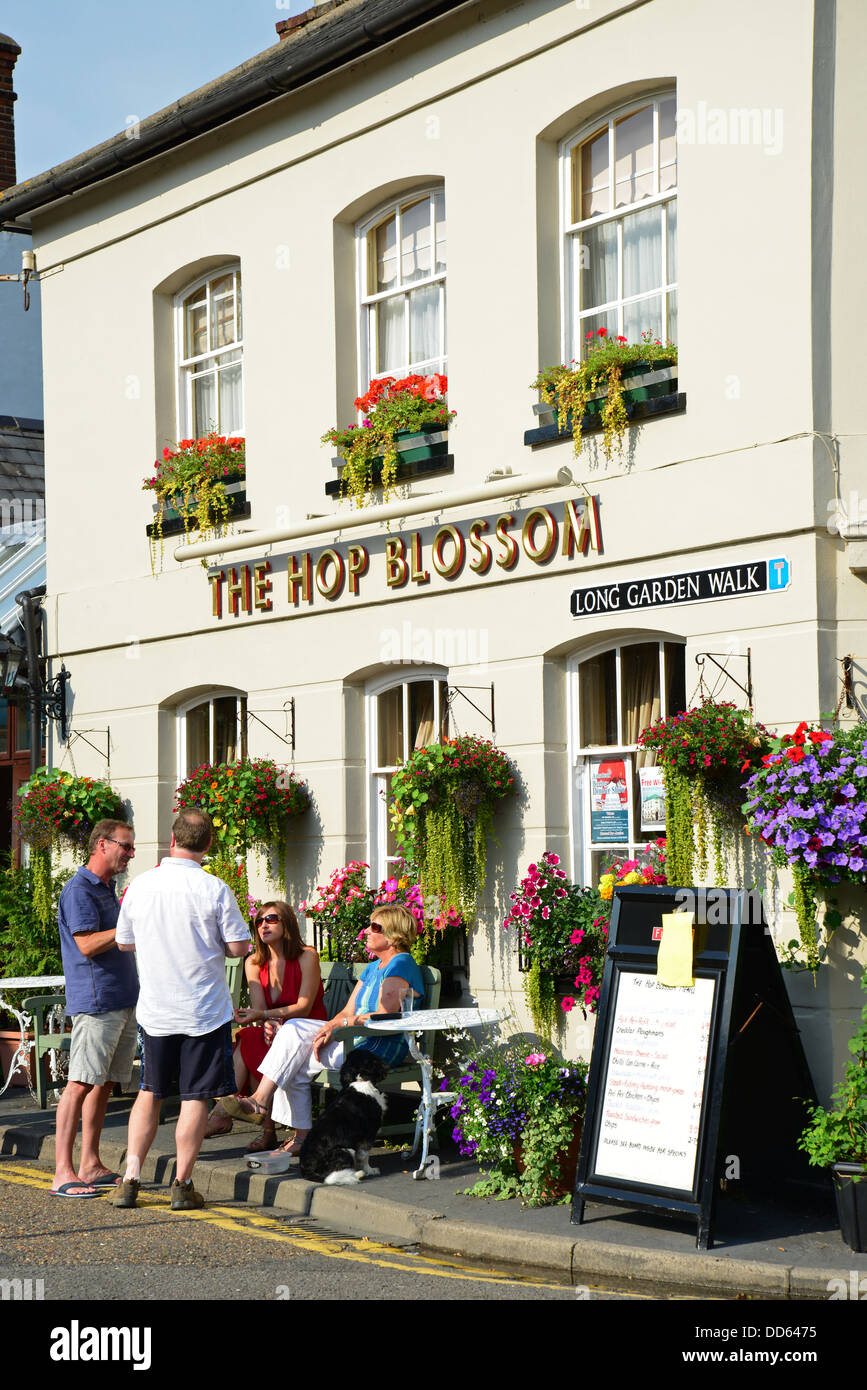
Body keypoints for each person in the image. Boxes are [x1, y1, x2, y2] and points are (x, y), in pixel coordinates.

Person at [111, 807, 251, 1210]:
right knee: (195, 1098)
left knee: (150, 1092)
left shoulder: (141, 885)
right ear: (208, 845)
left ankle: (130, 1179)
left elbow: (124, 941)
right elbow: (239, 947)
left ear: (172, 839)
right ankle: (181, 1185)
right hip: (202, 1011)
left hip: (156, 1010)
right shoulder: (214, 888)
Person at [222, 904, 425, 1154]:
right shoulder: (374, 967)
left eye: (374, 927)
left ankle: (261, 1101)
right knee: (294, 1054)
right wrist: (329, 1028)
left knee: (293, 1040)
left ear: (394, 934)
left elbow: (385, 1015)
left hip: (377, 1046)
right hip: (354, 1040)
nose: (366, 932)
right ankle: (299, 1136)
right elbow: (347, 1012)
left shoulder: (400, 963)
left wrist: (341, 1025)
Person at [50, 820, 139, 1197]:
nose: (130, 853)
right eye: (126, 846)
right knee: (80, 1084)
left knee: (103, 1085)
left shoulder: (106, 887)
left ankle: (89, 1163)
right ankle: (62, 1172)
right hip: (97, 1001)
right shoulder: (78, 890)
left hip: (121, 998)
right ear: (102, 844)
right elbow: (85, 945)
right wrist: (130, 927)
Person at [203, 900, 327, 1151]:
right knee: (252, 1037)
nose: (263, 925)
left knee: (253, 1044)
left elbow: (304, 1006)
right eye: (259, 921)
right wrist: (267, 1021)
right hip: (277, 1028)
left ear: (287, 924)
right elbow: (260, 1009)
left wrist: (267, 1016)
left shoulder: (307, 955)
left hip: (308, 1029)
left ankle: (224, 1114)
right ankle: (247, 1119)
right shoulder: (253, 963)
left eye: (271, 919)